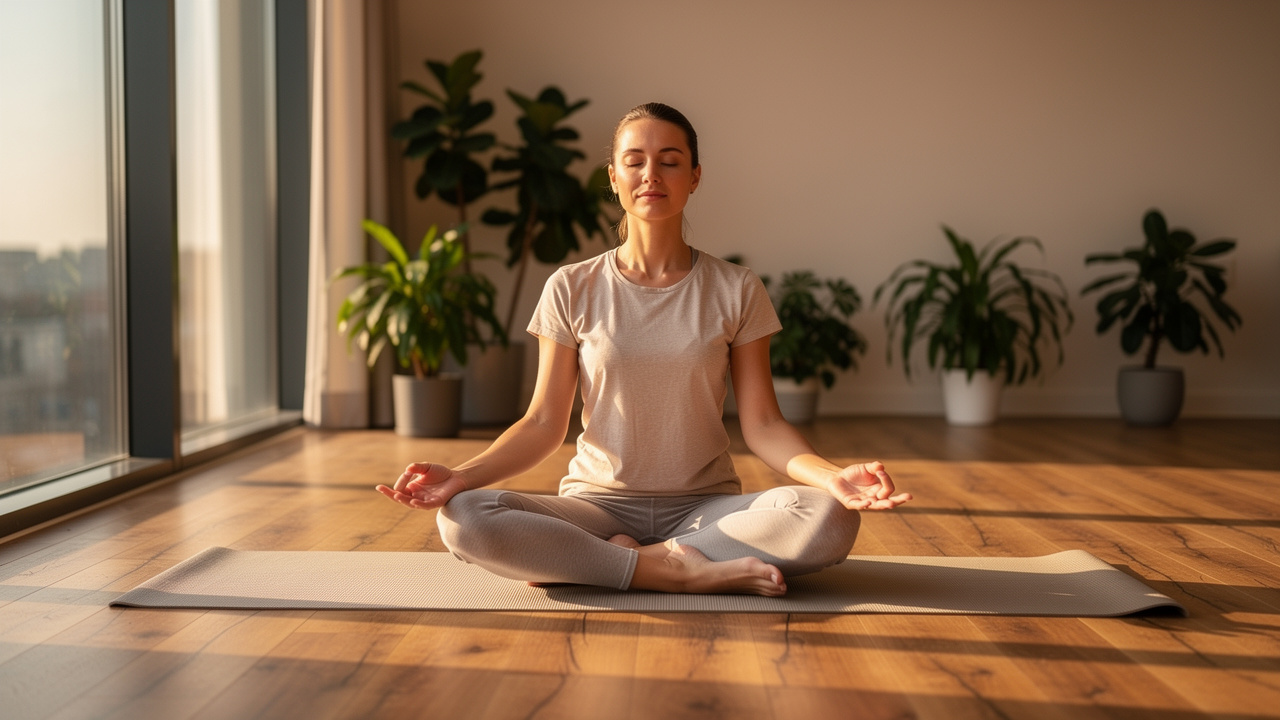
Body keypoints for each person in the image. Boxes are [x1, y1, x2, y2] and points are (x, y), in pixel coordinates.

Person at [377, 102, 911, 596]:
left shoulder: (737, 288)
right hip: (596, 509)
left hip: (706, 511)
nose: (651, 174)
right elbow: (542, 423)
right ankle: (677, 572)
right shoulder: (571, 286)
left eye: (670, 162)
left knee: (828, 515)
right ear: (614, 177)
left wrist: (831, 477)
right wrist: (462, 477)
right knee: (465, 516)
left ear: (694, 176)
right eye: (634, 162)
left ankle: (622, 563)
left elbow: (765, 424)